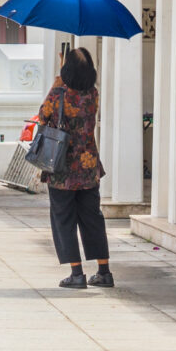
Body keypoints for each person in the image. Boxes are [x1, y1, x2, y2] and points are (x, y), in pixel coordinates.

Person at [38, 46, 110, 289]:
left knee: (64, 218)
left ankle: (77, 274)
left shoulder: (59, 93)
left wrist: (58, 80)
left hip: (62, 169)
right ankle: (104, 271)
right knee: (93, 218)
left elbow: (42, 115)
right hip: (89, 167)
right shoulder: (93, 94)